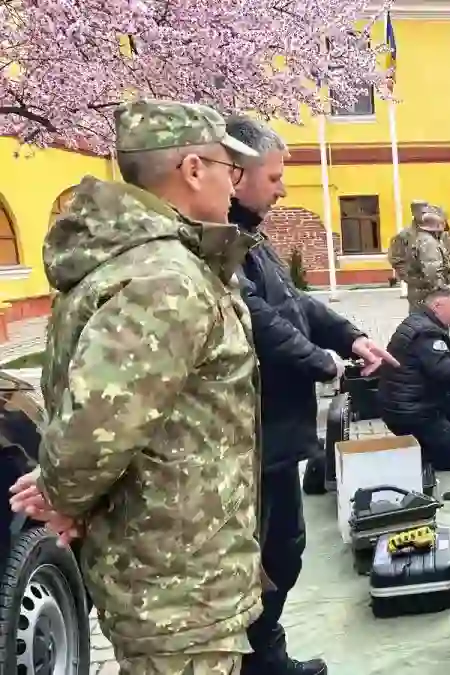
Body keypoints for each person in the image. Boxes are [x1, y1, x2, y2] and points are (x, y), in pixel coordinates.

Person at [10, 99, 264, 675]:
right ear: (193, 169)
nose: (235, 182)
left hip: (176, 572)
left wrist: (66, 490)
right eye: (230, 167)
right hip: (176, 583)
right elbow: (95, 430)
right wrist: (61, 490)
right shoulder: (165, 280)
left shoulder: (148, 263)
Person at [224, 115, 394, 675]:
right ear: (234, 173)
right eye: (273, 179)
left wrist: (350, 335)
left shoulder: (248, 234)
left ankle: (266, 655)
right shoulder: (216, 239)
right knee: (262, 557)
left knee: (283, 552)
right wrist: (325, 363)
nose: (281, 190)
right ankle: (256, 662)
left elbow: (292, 300)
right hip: (251, 435)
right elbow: (258, 319)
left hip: (277, 435)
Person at [378, 289, 450, 471]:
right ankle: (419, 463)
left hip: (404, 407)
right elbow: (444, 370)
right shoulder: (428, 332)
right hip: (413, 413)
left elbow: (440, 362)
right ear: (437, 306)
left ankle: (427, 447)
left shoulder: (418, 322)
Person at [404, 205, 450, 306]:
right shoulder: (429, 243)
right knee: (428, 320)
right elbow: (432, 270)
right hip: (429, 296)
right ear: (437, 227)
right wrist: (444, 290)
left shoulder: (421, 239)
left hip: (421, 294)